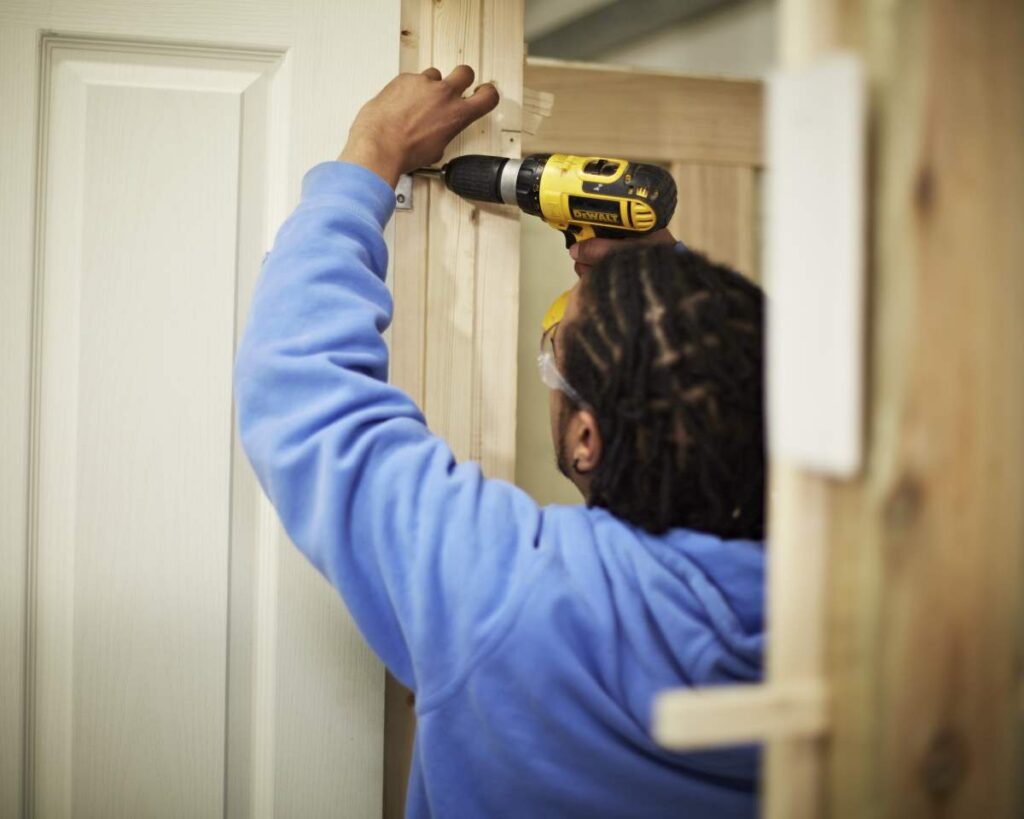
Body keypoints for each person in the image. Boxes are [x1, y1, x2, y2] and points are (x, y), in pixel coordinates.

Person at [235, 65, 766, 818]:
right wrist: (665, 297)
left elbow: (303, 386)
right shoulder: (842, 624)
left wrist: (372, 153)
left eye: (557, 349)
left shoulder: (515, 594)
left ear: (588, 437)